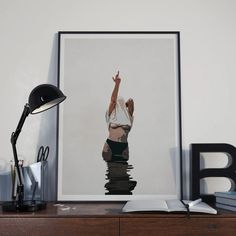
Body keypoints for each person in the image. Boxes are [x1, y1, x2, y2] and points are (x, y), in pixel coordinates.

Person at [102, 71, 134, 162]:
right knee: (110, 171)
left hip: (123, 147)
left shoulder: (128, 115)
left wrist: (124, 105)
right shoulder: (110, 113)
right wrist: (117, 84)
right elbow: (113, 101)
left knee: (124, 173)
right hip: (110, 147)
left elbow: (131, 101)